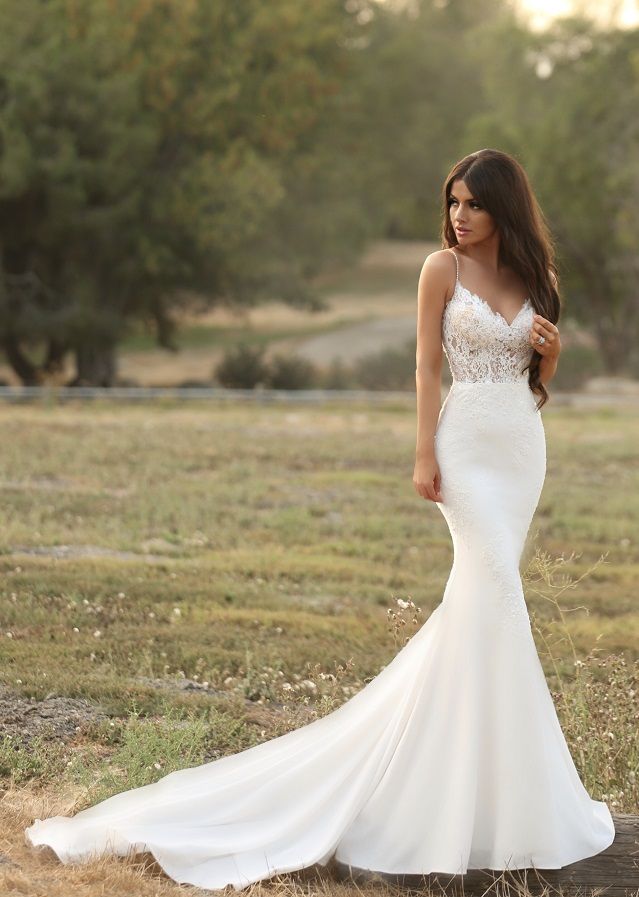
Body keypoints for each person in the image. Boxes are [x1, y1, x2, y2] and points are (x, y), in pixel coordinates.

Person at [25, 149, 615, 890]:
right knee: (492, 587)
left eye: (472, 204)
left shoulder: (539, 283)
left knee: (487, 610)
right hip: (463, 446)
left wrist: (552, 357)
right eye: (453, 201)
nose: (458, 216)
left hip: (519, 448)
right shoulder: (441, 270)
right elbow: (427, 368)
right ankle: (429, 797)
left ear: (504, 209)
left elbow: (535, 383)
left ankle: (491, 799)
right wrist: (422, 454)